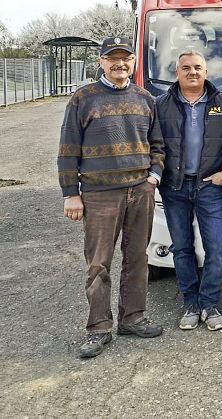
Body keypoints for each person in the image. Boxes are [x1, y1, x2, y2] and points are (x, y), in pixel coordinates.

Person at [58, 36, 165, 359]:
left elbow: (157, 145)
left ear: (133, 61)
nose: (120, 64)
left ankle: (132, 317)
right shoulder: (84, 99)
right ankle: (99, 327)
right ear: (101, 62)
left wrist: (153, 177)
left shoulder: (145, 99)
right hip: (99, 194)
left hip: (139, 190)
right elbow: (67, 151)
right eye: (112, 58)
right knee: (98, 264)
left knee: (137, 258)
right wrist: (70, 195)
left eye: (125, 58)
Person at [155, 51, 222, 332]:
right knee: (182, 248)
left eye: (197, 67)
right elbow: (154, 145)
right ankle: (191, 303)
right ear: (177, 73)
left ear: (206, 71)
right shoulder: (160, 105)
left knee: (216, 249)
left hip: (209, 186)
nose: (192, 72)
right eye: (186, 68)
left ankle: (209, 303)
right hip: (174, 187)